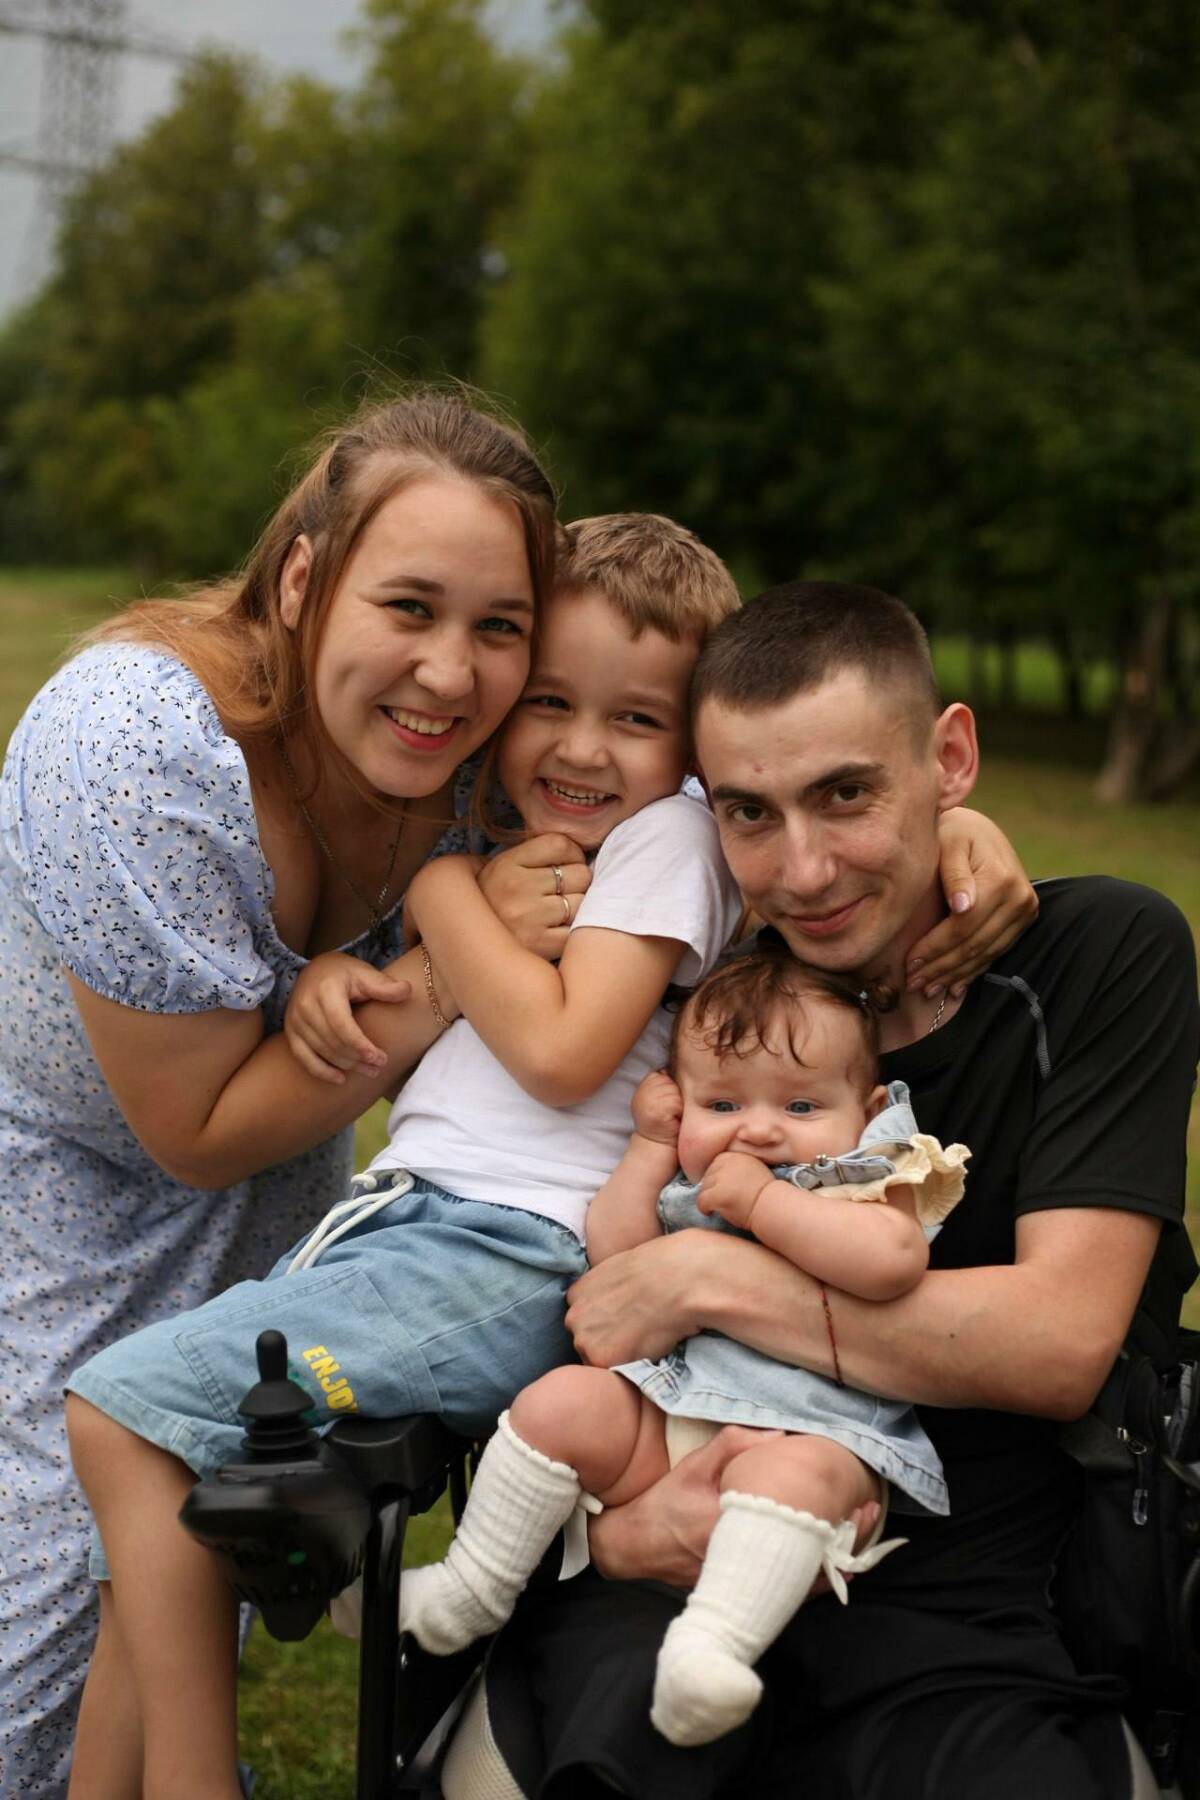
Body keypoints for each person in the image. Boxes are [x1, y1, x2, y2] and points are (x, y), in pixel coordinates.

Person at [473, 580, 1200, 1800]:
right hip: (669, 1551)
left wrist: (709, 1276)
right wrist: (618, 1534)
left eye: (848, 794)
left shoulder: (1099, 958)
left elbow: (1056, 1344)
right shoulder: (708, 989)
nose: (803, 871)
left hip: (959, 1605)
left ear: (949, 759)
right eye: (750, 812)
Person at [62, 513, 748, 1800]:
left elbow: (560, 1053)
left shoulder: (671, 840)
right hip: (413, 1232)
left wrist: (442, 894)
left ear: (697, 745)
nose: (582, 747)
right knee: (141, 1533)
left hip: (513, 1251)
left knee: (118, 1412)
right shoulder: (511, 841)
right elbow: (437, 1014)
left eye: (638, 719)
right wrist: (339, 981)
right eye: (550, 700)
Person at [0, 388, 571, 1796]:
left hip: (285, 1207)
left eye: (500, 626)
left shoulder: (494, 759)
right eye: (409, 606)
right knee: (25, 1694)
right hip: (56, 1195)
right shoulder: (138, 747)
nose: (451, 673)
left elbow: (702, 738)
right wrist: (445, 970)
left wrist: (956, 843)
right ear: (305, 579)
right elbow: (194, 1134)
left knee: (164, 1591)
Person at [399, 947, 970, 1751]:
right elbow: (617, 1257)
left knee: (795, 1477)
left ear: (868, 1108)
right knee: (564, 1402)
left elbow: (891, 1262)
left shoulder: (863, 1173)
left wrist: (766, 1206)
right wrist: (647, 1147)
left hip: (816, 1433)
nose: (759, 1128)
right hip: (670, 1415)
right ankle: (471, 1589)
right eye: (722, 1102)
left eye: (801, 1105)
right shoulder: (690, 1177)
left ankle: (711, 1650)